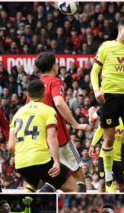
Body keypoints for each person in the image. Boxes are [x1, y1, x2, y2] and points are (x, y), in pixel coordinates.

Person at [90, 17, 124, 192]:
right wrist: (96, 91)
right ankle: (108, 175)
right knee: (109, 137)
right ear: (120, 28)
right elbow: (94, 71)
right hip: (109, 96)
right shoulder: (106, 47)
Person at [8, 79, 78, 192]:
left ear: (27, 94)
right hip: (41, 160)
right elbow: (52, 138)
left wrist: (20, 157)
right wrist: (56, 162)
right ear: (44, 92)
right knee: (73, 188)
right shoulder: (48, 111)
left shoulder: (18, 113)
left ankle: (27, 204)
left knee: (34, 185)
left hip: (20, 162)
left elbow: (11, 145)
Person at [34, 52, 90, 192]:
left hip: (41, 140)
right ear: (54, 67)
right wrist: (75, 124)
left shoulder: (34, 86)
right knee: (78, 177)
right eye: (57, 63)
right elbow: (59, 102)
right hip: (60, 138)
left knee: (53, 178)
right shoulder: (55, 81)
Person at [89, 112, 124, 192]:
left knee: (122, 186)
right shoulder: (108, 116)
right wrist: (92, 145)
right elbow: (99, 131)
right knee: (102, 183)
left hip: (120, 158)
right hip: (104, 156)